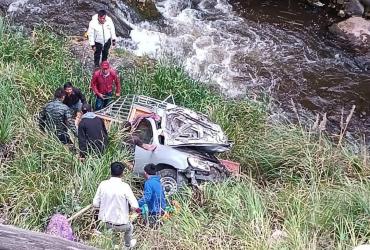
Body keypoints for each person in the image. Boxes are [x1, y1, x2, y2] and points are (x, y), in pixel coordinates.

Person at [93, 162, 139, 248]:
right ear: (122, 173)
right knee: (130, 228)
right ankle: (127, 245)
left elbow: (95, 203)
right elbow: (135, 206)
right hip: (121, 225)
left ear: (110, 171)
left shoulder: (103, 184)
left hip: (104, 224)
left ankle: (113, 245)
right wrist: (134, 211)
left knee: (108, 232)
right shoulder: (125, 186)